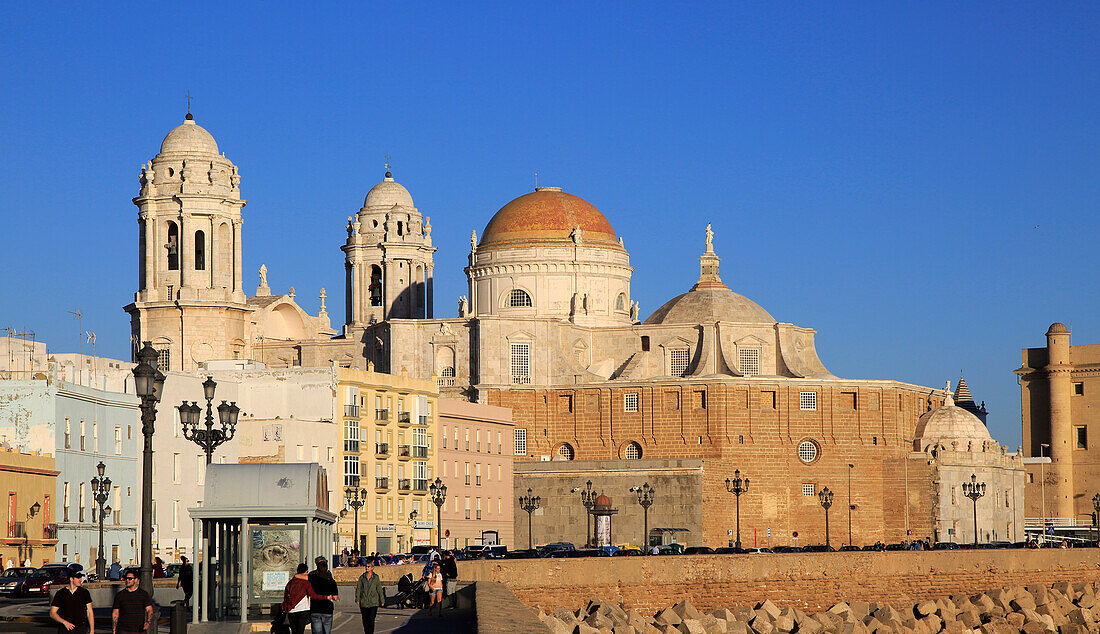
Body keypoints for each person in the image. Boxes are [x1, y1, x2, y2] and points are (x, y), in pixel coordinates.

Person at [281, 563, 335, 634]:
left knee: (294, 631)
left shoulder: (290, 582)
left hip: (291, 610)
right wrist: (326, 597)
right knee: (300, 631)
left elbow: (286, 596)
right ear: (306, 571)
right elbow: (313, 595)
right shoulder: (306, 583)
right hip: (303, 610)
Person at [308, 556, 339, 634]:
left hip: (315, 609)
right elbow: (335, 597)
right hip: (327, 609)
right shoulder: (330, 579)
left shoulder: (312, 577)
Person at [355, 560, 386, 634]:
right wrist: (357, 599)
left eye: (368, 566)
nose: (366, 568)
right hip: (364, 602)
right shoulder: (362, 577)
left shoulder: (375, 578)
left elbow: (379, 589)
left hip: (373, 602)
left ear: (372, 568)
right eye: (366, 566)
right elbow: (358, 588)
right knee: (365, 620)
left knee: (371, 620)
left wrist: (382, 600)